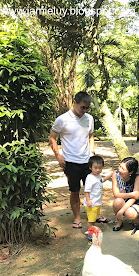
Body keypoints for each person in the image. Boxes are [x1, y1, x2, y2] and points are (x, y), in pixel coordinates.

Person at [49, 91, 107, 229]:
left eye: (87, 108)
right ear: (74, 103)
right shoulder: (62, 120)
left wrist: (92, 152)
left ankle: (94, 215)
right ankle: (77, 217)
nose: (85, 110)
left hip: (87, 162)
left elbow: (91, 136)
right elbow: (52, 138)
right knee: (75, 190)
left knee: (94, 189)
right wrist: (58, 156)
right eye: (82, 107)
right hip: (70, 162)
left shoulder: (89, 119)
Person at [111, 157, 139, 231]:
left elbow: (135, 198)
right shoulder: (115, 175)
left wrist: (121, 211)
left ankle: (136, 222)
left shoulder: (138, 177)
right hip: (124, 200)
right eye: (120, 166)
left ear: (130, 172)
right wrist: (132, 194)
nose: (119, 170)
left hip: (136, 202)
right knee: (117, 201)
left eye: (123, 169)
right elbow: (116, 194)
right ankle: (119, 222)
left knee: (129, 212)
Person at [84, 155, 114, 233]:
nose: (98, 170)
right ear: (90, 167)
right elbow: (86, 191)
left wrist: (109, 175)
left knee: (93, 219)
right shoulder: (90, 178)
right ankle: (90, 233)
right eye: (95, 168)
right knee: (91, 220)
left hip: (97, 202)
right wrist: (88, 200)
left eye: (100, 168)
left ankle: (92, 230)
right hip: (92, 203)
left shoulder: (98, 176)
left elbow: (101, 180)